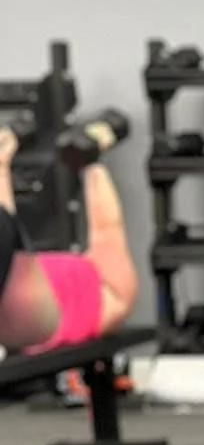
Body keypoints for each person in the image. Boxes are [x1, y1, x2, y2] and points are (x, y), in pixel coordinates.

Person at [0, 116, 140, 356]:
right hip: (55, 300)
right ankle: (90, 159)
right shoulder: (112, 297)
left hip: (39, 299)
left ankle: (91, 159)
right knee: (107, 236)